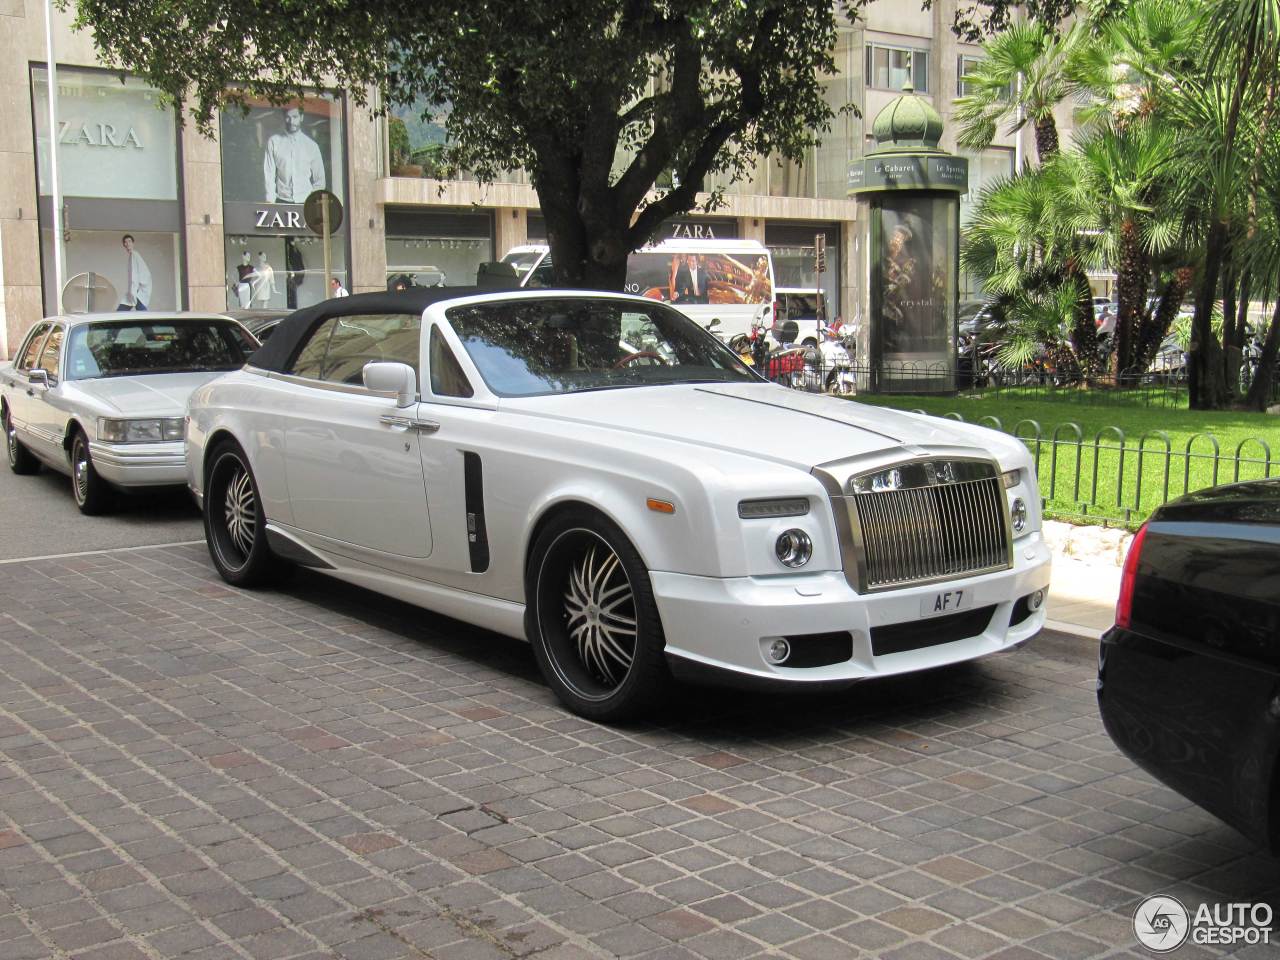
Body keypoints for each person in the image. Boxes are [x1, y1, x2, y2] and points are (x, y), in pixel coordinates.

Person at [263, 105, 325, 204]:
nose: (291, 121)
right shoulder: (274, 142)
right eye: (288, 117)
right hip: (281, 200)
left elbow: (320, 181)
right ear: (284, 118)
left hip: (306, 202)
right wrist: (270, 201)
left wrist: (312, 202)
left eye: (295, 117)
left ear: (301, 117)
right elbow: (269, 174)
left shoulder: (311, 146)